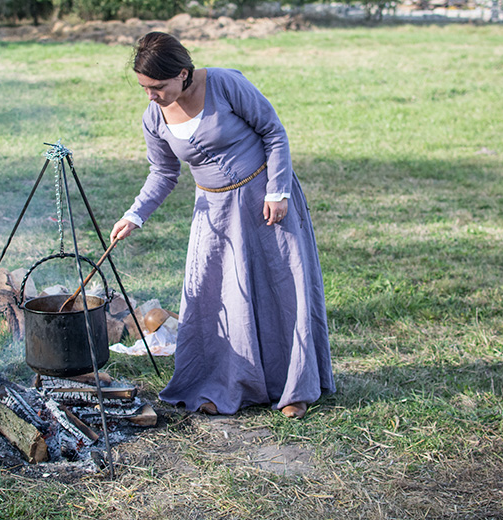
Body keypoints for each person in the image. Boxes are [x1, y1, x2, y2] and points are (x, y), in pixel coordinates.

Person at [110, 32, 336, 419]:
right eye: (144, 87)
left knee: (281, 290)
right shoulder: (154, 117)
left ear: (183, 73)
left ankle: (293, 389)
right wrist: (134, 215)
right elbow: (163, 173)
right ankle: (225, 383)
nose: (151, 95)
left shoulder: (225, 84)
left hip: (265, 201)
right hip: (213, 214)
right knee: (214, 299)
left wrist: (277, 191)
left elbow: (273, 132)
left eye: (157, 87)